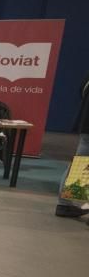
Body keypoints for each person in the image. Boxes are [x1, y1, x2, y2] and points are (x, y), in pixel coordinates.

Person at [55, 71, 89, 221]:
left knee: (82, 164)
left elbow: (82, 91)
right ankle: (65, 205)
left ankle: (65, 204)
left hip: (86, 124)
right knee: (82, 164)